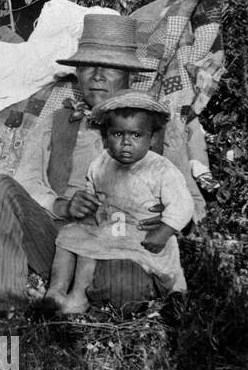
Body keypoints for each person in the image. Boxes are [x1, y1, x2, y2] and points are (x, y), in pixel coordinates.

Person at [0, 14, 168, 308]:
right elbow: (27, 180)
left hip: (119, 240)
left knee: (125, 290)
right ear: (77, 73)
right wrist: (61, 205)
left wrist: (159, 217)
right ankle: (7, 302)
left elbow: (188, 198)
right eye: (89, 65)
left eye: (110, 68)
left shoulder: (156, 123)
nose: (97, 76)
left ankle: (83, 295)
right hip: (59, 240)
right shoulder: (60, 118)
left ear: (129, 75)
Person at [45, 91, 194, 314]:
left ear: (152, 138)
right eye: (117, 134)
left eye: (136, 136)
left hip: (142, 238)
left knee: (94, 249)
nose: (126, 143)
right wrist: (89, 206)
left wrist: (164, 231)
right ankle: (57, 292)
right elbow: (92, 189)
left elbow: (183, 204)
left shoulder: (160, 169)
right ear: (106, 135)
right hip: (110, 231)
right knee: (71, 236)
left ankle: (81, 297)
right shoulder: (102, 162)